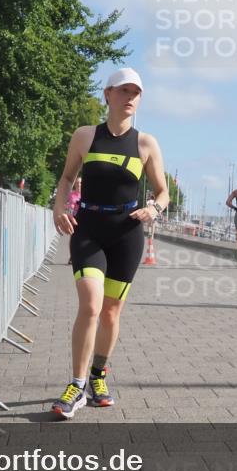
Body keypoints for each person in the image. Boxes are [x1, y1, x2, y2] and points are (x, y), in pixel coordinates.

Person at [51, 67, 169, 419]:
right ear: (108, 95)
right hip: (89, 228)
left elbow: (162, 192)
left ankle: (98, 376)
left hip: (126, 233)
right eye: (123, 91)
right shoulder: (85, 136)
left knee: (111, 311)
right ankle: (76, 384)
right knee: (90, 305)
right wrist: (59, 205)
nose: (130, 97)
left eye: (136, 92)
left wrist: (153, 208)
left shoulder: (146, 143)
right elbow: (67, 178)